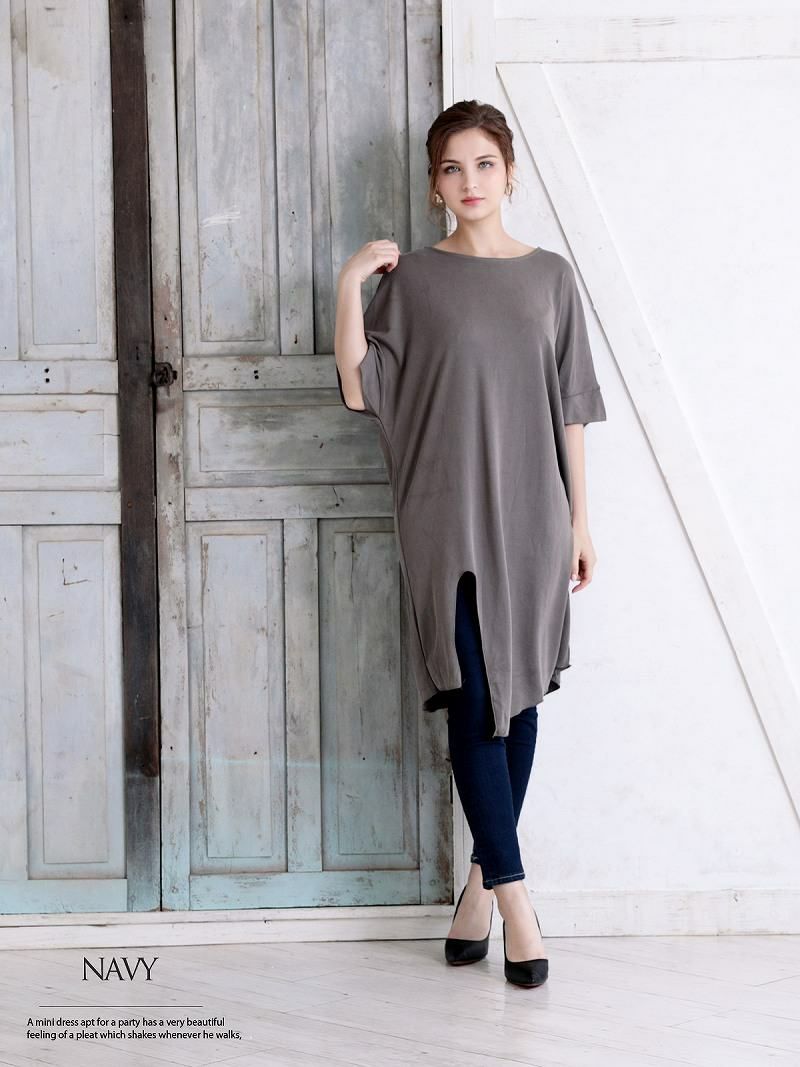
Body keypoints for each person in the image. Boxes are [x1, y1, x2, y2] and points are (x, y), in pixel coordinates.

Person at [333, 100, 607, 988]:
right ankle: (519, 901)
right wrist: (351, 282)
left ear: (510, 173)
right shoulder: (414, 280)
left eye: (484, 164)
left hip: (534, 513)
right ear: (434, 184)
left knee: (519, 701)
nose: (469, 182)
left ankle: (477, 895)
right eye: (452, 168)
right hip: (446, 514)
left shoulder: (551, 278)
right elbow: (361, 387)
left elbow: (571, 407)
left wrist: (581, 519)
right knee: (472, 694)